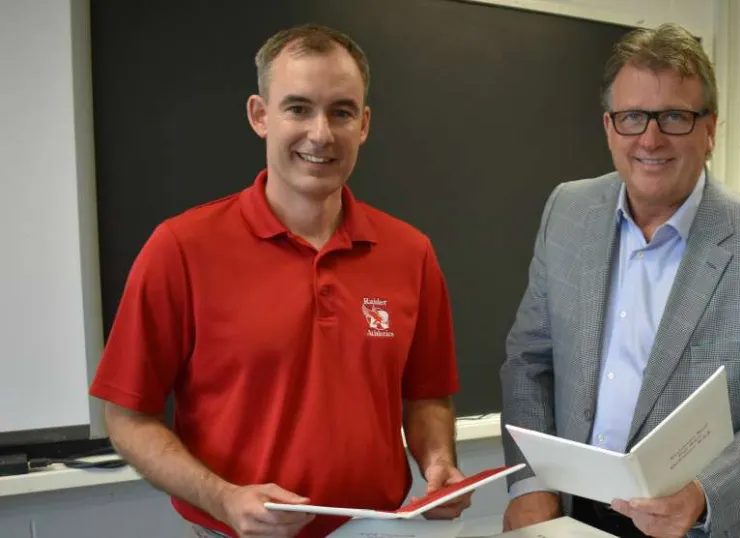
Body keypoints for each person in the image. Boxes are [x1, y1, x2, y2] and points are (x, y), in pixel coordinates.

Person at [89, 24, 470, 538]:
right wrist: (223, 498)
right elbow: (127, 417)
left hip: (378, 528)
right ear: (259, 115)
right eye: (298, 108)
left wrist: (439, 463)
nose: (321, 134)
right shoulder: (181, 248)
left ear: (363, 124)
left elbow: (427, 397)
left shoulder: (410, 253)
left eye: (341, 112)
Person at [499, 22, 740, 538]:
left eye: (675, 117)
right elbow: (528, 360)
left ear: (710, 130)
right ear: (609, 128)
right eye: (632, 117)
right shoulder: (567, 211)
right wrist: (529, 483)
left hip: (702, 524)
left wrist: (703, 494)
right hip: (574, 515)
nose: (650, 139)